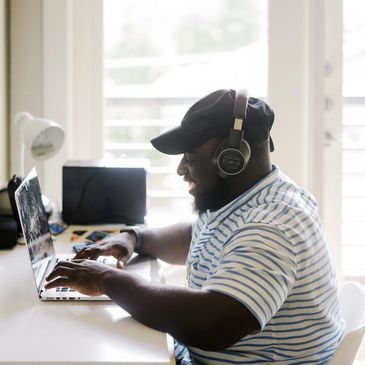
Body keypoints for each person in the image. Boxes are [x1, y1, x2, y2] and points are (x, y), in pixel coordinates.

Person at [46, 89, 345, 364]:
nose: (180, 169)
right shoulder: (246, 198)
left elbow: (212, 325)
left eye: (190, 156)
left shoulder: (272, 226)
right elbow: (195, 235)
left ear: (232, 158)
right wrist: (134, 238)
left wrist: (107, 281)